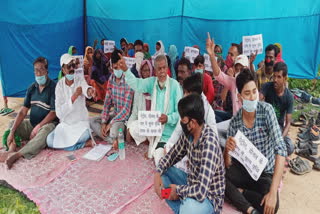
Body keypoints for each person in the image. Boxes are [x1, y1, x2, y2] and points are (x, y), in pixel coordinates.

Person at [224, 69, 287, 214]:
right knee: (221, 179)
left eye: (254, 91)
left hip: (264, 173)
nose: (253, 97)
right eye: (247, 93)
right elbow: (228, 163)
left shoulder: (267, 111)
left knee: (272, 204)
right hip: (245, 170)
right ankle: (250, 209)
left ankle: (240, 193)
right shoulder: (235, 122)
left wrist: (272, 193)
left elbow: (281, 149)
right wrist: (227, 149)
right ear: (239, 97)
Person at [154, 94, 225, 214]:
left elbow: (202, 191)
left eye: (183, 120)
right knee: (163, 172)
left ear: (193, 122)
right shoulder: (189, 135)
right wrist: (157, 172)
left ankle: (184, 206)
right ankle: (183, 205)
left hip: (208, 198)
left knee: (189, 208)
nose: (181, 122)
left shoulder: (209, 143)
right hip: (191, 183)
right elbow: (172, 155)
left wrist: (178, 190)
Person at [123, 54, 182, 165]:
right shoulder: (152, 82)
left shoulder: (175, 85)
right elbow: (136, 84)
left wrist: (168, 118)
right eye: (159, 69)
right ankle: (155, 146)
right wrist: (126, 70)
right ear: (155, 71)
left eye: (164, 67)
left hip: (167, 133)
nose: (162, 71)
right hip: (153, 128)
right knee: (133, 127)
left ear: (167, 68)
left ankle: (160, 150)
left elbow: (179, 113)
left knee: (159, 161)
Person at [0, 57, 57, 169]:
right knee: (12, 125)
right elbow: (23, 111)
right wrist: (12, 131)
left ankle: (17, 155)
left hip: (47, 125)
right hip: (32, 124)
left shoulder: (53, 87)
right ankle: (11, 149)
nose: (38, 73)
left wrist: (39, 126)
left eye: (41, 69)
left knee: (44, 133)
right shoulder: (32, 88)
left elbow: (53, 113)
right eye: (36, 70)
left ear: (47, 71)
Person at [165, 73, 218, 172]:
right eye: (184, 92)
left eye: (186, 93)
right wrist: (168, 146)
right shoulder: (186, 107)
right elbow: (177, 131)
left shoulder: (208, 112)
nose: (184, 95)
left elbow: (214, 141)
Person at [46, 54, 96, 151]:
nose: (72, 69)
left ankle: (75, 144)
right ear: (63, 69)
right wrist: (73, 98)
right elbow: (59, 114)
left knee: (85, 135)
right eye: (68, 66)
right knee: (49, 140)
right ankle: (82, 145)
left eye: (73, 66)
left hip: (80, 124)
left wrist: (90, 90)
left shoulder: (79, 80)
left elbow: (85, 88)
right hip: (66, 126)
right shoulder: (59, 86)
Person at [90, 49, 134, 146]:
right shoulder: (111, 79)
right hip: (115, 115)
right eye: (115, 67)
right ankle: (112, 140)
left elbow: (126, 110)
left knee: (113, 131)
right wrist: (104, 122)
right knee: (92, 121)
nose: (118, 69)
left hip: (125, 119)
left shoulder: (129, 80)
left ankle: (112, 138)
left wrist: (110, 123)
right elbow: (107, 103)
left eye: (120, 66)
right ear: (111, 67)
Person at [206, 33, 250, 120]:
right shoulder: (233, 81)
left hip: (248, 122)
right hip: (235, 120)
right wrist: (211, 55)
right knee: (209, 114)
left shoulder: (252, 84)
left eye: (242, 69)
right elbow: (218, 74)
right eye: (237, 69)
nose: (240, 72)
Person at [260, 62, 294, 155]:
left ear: (285, 78)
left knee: (290, 147)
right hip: (265, 124)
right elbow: (258, 100)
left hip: (278, 128)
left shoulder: (289, 97)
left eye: (279, 77)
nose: (275, 79)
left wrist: (280, 140)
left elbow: (288, 123)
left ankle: (271, 148)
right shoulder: (267, 86)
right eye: (274, 76)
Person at [127, 60, 154, 144]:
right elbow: (134, 112)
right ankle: (147, 140)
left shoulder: (156, 87)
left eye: (148, 70)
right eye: (144, 70)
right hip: (142, 123)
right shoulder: (138, 89)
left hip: (154, 123)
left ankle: (149, 140)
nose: (146, 73)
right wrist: (128, 128)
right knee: (132, 127)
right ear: (140, 72)